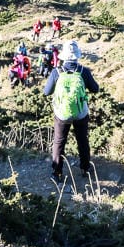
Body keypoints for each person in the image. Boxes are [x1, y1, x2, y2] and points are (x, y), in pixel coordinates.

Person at [42, 40, 100, 182]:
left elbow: (46, 92)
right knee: (82, 140)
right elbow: (95, 89)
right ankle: (85, 168)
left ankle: (57, 173)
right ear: (77, 55)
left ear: (64, 56)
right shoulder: (83, 71)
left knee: (59, 141)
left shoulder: (57, 72)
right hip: (81, 112)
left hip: (62, 113)